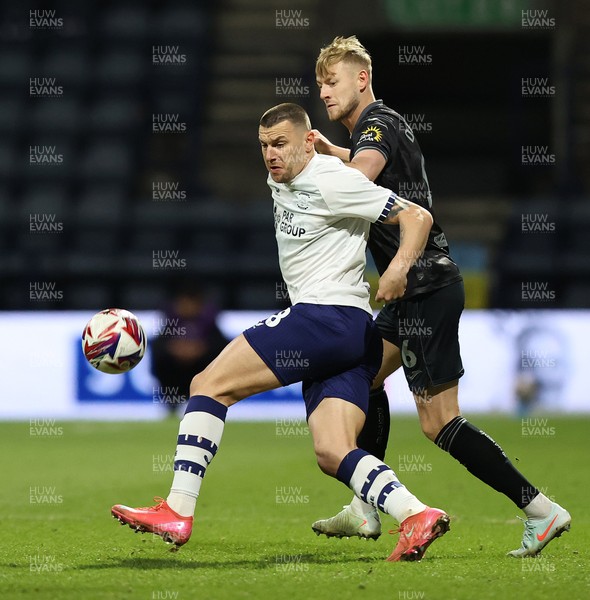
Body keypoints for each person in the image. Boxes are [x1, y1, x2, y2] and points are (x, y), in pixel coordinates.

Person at [112, 103, 450, 562]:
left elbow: (418, 218)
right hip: (354, 335)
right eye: (264, 146)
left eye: (280, 144)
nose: (270, 155)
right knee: (333, 452)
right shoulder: (289, 174)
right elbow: (327, 162)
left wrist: (397, 268)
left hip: (323, 317)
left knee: (207, 385)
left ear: (307, 142)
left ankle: (177, 509)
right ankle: (416, 514)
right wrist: (330, 151)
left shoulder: (333, 180)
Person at [310, 35, 570, 558]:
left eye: (332, 81)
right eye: (319, 84)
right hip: (412, 293)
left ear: (362, 77)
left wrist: (318, 171)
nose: (324, 92)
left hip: (424, 286)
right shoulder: (375, 128)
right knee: (362, 372)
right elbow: (373, 170)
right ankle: (365, 506)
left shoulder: (376, 122)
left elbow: (363, 176)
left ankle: (540, 509)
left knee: (439, 422)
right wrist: (331, 151)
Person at [151, 284, 227, 416]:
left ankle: (208, 399)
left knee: (218, 358)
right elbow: (158, 345)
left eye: (191, 302)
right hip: (176, 370)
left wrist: (200, 349)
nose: (188, 307)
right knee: (161, 358)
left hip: (200, 368)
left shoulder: (208, 320)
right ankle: (172, 400)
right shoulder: (171, 320)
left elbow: (222, 345)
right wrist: (175, 349)